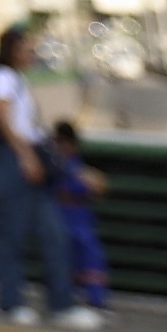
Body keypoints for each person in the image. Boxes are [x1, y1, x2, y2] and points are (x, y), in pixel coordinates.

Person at [0, 23, 68, 328]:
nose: (33, 54)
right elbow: (3, 117)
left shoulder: (14, 79)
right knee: (14, 235)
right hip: (13, 160)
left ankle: (61, 304)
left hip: (22, 157)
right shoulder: (3, 78)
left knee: (54, 234)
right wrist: (25, 156)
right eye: (28, 48)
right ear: (13, 49)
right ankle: (10, 303)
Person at [38, 121, 112, 320]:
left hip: (80, 215)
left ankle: (96, 299)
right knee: (64, 257)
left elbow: (98, 186)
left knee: (90, 256)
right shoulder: (54, 161)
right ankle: (64, 299)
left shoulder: (73, 162)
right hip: (62, 213)